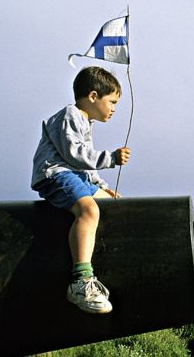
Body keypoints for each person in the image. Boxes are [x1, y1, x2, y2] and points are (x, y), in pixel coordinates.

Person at [30, 66, 131, 314]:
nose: (114, 109)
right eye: (113, 101)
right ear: (93, 96)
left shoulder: (85, 122)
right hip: (56, 174)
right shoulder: (70, 115)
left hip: (74, 174)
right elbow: (74, 155)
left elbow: (84, 165)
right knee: (89, 210)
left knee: (107, 203)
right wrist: (111, 158)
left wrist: (102, 187)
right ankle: (81, 280)